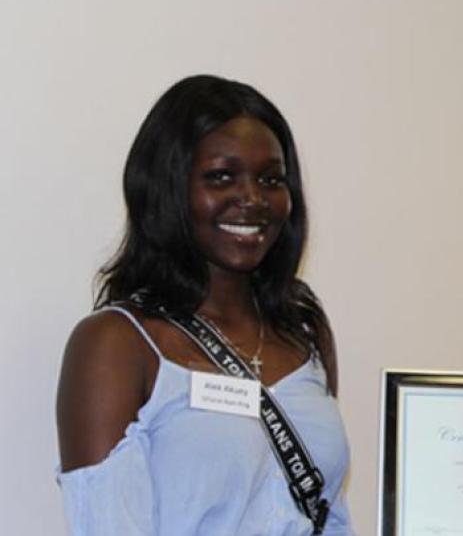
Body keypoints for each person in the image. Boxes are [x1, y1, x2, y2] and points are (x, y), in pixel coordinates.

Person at [56, 75, 354, 535]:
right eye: (221, 177)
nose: (253, 199)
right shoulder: (116, 345)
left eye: (271, 179)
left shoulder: (303, 331)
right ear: (167, 187)